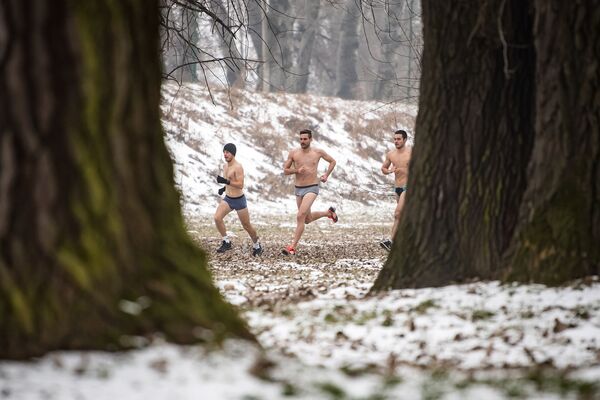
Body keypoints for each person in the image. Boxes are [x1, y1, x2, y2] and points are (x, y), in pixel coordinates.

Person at [282, 129, 338, 255]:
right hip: (298, 188)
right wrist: (296, 171)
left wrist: (326, 175)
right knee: (307, 219)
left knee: (300, 216)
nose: (302, 141)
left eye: (305, 139)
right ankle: (328, 213)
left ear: (310, 139)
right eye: (300, 139)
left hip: (312, 187)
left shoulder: (317, 152)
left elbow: (332, 161)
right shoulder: (294, 153)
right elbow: (285, 170)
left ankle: (292, 247)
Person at [214, 143, 263, 256]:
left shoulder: (238, 167)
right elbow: (229, 181)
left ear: (233, 154)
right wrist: (223, 188)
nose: (225, 154)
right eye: (224, 152)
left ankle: (257, 244)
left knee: (246, 225)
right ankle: (226, 241)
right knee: (217, 218)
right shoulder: (225, 166)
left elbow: (240, 185)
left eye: (228, 152)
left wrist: (225, 182)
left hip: (239, 200)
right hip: (228, 199)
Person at [379, 130, 412, 251]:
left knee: (398, 213)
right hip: (397, 187)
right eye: (394, 139)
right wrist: (389, 171)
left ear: (405, 139)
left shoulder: (412, 152)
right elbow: (383, 168)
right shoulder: (391, 154)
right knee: (402, 215)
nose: (396, 141)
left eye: (398, 139)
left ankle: (391, 242)